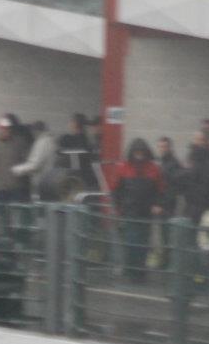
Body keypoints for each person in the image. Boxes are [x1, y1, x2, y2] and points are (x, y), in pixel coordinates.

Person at [109, 138, 165, 281]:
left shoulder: (153, 169)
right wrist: (117, 208)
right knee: (132, 242)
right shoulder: (125, 167)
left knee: (142, 243)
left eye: (141, 153)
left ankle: (138, 271)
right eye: (137, 152)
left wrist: (157, 204)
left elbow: (160, 191)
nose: (139, 155)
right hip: (130, 212)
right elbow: (115, 191)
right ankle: (132, 271)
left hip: (145, 213)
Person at [0, 114, 32, 233]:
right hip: (0, 188)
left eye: (5, 129)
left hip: (16, 188)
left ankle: (17, 239)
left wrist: (21, 177)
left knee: (17, 216)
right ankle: (4, 237)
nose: (3, 131)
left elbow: (27, 163)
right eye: (0, 128)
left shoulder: (19, 143)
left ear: (10, 129)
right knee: (1, 216)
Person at [55, 113, 99, 194]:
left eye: (71, 121)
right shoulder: (86, 139)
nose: (69, 124)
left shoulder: (74, 139)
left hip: (77, 177)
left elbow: (60, 151)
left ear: (75, 124)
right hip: (82, 176)